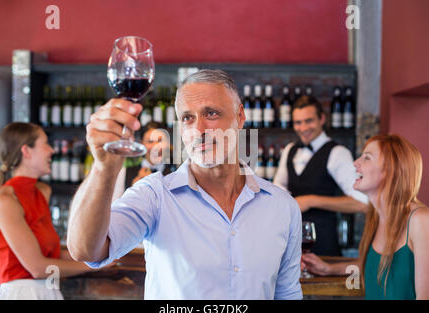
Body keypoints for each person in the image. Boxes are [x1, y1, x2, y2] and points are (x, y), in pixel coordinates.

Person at [67, 69, 303, 299]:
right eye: (188, 118)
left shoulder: (282, 206)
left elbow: (287, 293)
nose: (198, 130)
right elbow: (86, 250)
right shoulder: (155, 195)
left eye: (211, 114)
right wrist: (103, 168)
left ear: (240, 117)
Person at [0, 122, 111, 300]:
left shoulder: (42, 192)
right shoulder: (3, 200)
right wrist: (95, 265)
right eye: (45, 144)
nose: (51, 150)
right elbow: (37, 268)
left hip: (48, 290)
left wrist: (100, 256)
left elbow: (54, 254)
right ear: (26, 151)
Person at [301, 134, 429, 299]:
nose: (355, 163)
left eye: (367, 158)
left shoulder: (420, 220)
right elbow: (375, 267)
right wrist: (328, 269)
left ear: (391, 170)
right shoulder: (375, 218)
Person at [273, 95, 368, 256]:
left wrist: (311, 201)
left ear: (322, 119)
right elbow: (277, 190)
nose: (303, 128)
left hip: (324, 245)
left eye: (309, 121)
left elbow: (362, 203)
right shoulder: (290, 150)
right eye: (298, 122)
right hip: (290, 245)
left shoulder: (338, 153)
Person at [112, 121, 172, 201]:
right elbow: (115, 207)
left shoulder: (176, 172)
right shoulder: (124, 173)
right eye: (150, 142)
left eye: (160, 141)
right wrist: (134, 190)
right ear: (142, 144)